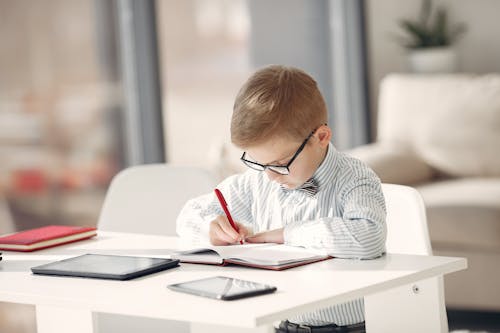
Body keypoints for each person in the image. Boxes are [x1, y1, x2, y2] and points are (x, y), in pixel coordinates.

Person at [176, 65, 386, 333]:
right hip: (282, 326)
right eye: (260, 163)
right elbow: (187, 216)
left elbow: (369, 236)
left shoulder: (354, 179)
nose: (271, 176)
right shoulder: (260, 181)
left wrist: (285, 235)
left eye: (280, 163)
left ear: (321, 137)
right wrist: (212, 229)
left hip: (352, 329)